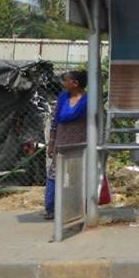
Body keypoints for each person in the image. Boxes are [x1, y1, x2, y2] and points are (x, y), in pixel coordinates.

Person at [44, 70, 88, 220]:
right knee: (55, 175)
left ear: (75, 83)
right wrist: (51, 143)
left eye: (66, 80)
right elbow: (55, 121)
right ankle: (51, 208)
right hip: (61, 142)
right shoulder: (63, 98)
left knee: (76, 177)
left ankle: (75, 208)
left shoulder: (88, 100)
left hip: (80, 143)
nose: (63, 83)